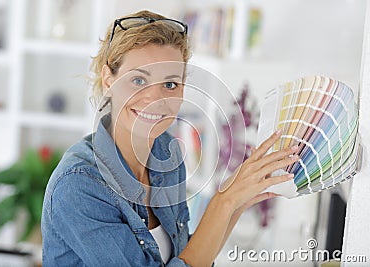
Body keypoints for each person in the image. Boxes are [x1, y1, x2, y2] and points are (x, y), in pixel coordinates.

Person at [41, 10, 299, 266]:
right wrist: (225, 200)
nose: (156, 99)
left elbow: (189, 257)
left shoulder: (165, 154)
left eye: (169, 84)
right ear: (109, 81)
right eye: (138, 80)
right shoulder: (79, 186)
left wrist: (237, 203)